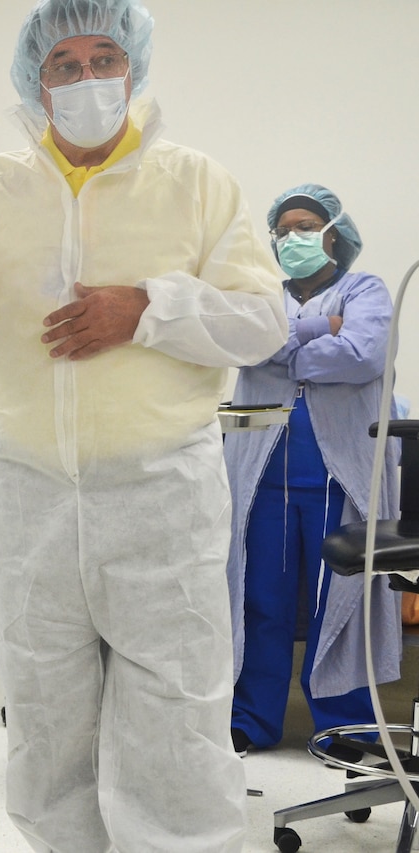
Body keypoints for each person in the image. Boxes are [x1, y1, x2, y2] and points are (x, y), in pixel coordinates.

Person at [0, 1, 287, 850]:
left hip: (161, 492)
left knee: (178, 715)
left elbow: (262, 320)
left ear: (135, 67)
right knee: (45, 716)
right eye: (64, 65)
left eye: (103, 57)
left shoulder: (196, 183)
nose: (87, 80)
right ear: (35, 83)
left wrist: (147, 307)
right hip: (31, 491)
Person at [225, 184, 402, 759]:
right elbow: (244, 347)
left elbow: (362, 355)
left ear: (335, 233)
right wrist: (321, 329)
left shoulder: (366, 289)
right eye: (283, 229)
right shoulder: (259, 294)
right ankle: (251, 719)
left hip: (337, 478)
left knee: (340, 602)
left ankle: (346, 728)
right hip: (264, 478)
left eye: (306, 226)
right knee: (262, 600)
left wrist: (287, 341)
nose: (291, 238)